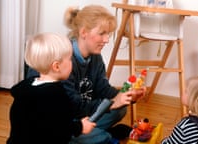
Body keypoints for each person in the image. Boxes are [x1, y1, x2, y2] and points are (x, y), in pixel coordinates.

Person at [27, 5, 146, 144]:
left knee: (120, 109)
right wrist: (113, 103)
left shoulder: (95, 57)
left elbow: (104, 90)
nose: (107, 40)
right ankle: (99, 135)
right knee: (102, 137)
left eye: (108, 34)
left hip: (81, 113)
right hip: (63, 119)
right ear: (83, 32)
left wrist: (128, 96)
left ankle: (95, 134)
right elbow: (71, 107)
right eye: (102, 33)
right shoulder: (64, 61)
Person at [7, 33, 96, 144]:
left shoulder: (26, 87)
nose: (71, 63)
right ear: (56, 66)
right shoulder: (55, 95)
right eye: (69, 59)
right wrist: (80, 127)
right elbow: (60, 129)